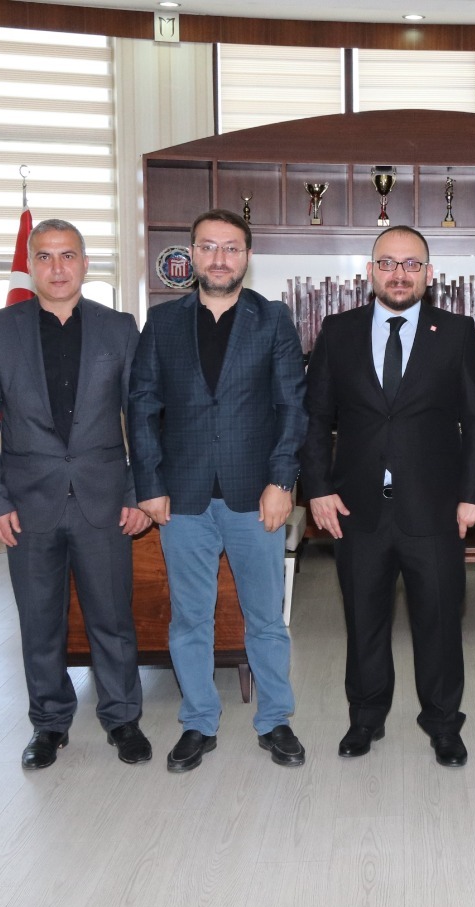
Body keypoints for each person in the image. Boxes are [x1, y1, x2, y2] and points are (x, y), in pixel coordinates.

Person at [301, 226, 475, 767]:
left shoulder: (456, 332)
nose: (399, 274)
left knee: (439, 622)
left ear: (429, 274)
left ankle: (443, 723)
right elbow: (314, 420)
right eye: (388, 263)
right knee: (364, 620)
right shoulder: (337, 331)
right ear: (370, 271)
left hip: (435, 508)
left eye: (412, 264)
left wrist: (474, 494)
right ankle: (365, 718)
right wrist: (317, 489)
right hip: (355, 508)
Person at [0, 219, 152, 771]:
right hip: (26, 506)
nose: (57, 267)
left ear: (85, 263)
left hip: (105, 499)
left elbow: (141, 415)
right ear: (29, 266)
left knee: (112, 619)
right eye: (44, 257)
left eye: (68, 255)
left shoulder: (119, 328)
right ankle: (49, 724)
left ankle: (122, 718)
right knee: (39, 621)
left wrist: (139, 492)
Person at [128, 209, 307, 772]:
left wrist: (282, 481)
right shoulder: (162, 322)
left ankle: (275, 719)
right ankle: (199, 722)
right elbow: (143, 405)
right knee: (190, 619)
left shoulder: (273, 319)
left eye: (231, 247)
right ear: (191, 255)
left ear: (247, 256)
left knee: (266, 618)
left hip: (256, 496)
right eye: (208, 247)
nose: (219, 258)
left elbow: (292, 407)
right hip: (181, 498)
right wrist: (149, 484)